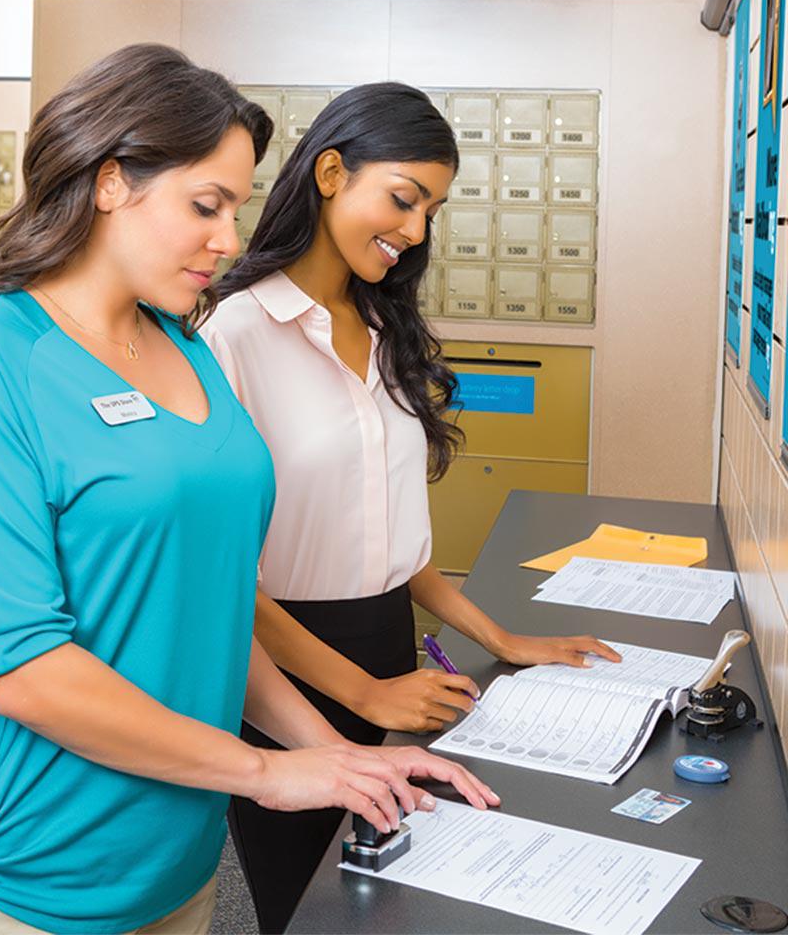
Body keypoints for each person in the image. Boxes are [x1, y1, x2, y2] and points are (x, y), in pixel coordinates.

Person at [0, 48, 499, 935]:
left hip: (172, 850)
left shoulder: (183, 345)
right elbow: (21, 671)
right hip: (12, 870)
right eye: (205, 206)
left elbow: (212, 603)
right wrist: (268, 774)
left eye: (235, 210)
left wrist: (340, 756)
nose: (229, 239)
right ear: (108, 183)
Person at [200, 82, 621, 934]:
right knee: (311, 909)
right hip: (284, 671)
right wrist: (367, 694)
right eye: (402, 198)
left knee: (393, 902)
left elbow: (389, 538)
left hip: (390, 644)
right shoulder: (232, 335)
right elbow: (223, 576)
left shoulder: (384, 326)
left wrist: (500, 638)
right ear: (328, 173)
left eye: (431, 208)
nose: (416, 230)